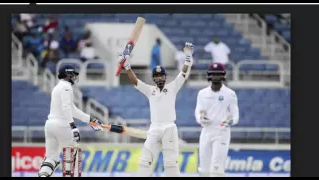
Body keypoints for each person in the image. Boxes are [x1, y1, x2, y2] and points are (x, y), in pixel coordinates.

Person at [118, 42, 194, 177]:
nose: (160, 78)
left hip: (169, 128)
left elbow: (183, 73)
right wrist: (127, 66)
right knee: (144, 161)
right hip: (154, 128)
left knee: (171, 164)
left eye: (162, 75)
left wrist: (188, 57)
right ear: (153, 78)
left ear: (165, 77)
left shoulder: (172, 87)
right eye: (157, 76)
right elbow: (136, 82)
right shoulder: (150, 90)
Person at [37, 65, 104, 177]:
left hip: (50, 125)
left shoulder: (58, 87)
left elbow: (72, 110)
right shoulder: (66, 87)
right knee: (71, 155)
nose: (74, 77)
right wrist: (73, 126)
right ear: (67, 74)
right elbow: (67, 107)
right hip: (62, 125)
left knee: (51, 158)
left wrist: (90, 119)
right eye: (73, 74)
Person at [194, 62, 239, 177]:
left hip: (221, 132)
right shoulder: (202, 93)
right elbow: (198, 110)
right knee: (204, 170)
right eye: (213, 74)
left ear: (223, 75)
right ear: (209, 75)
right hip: (206, 132)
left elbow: (235, 115)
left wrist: (230, 121)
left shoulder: (230, 94)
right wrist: (201, 118)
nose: (216, 77)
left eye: (218, 74)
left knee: (216, 170)